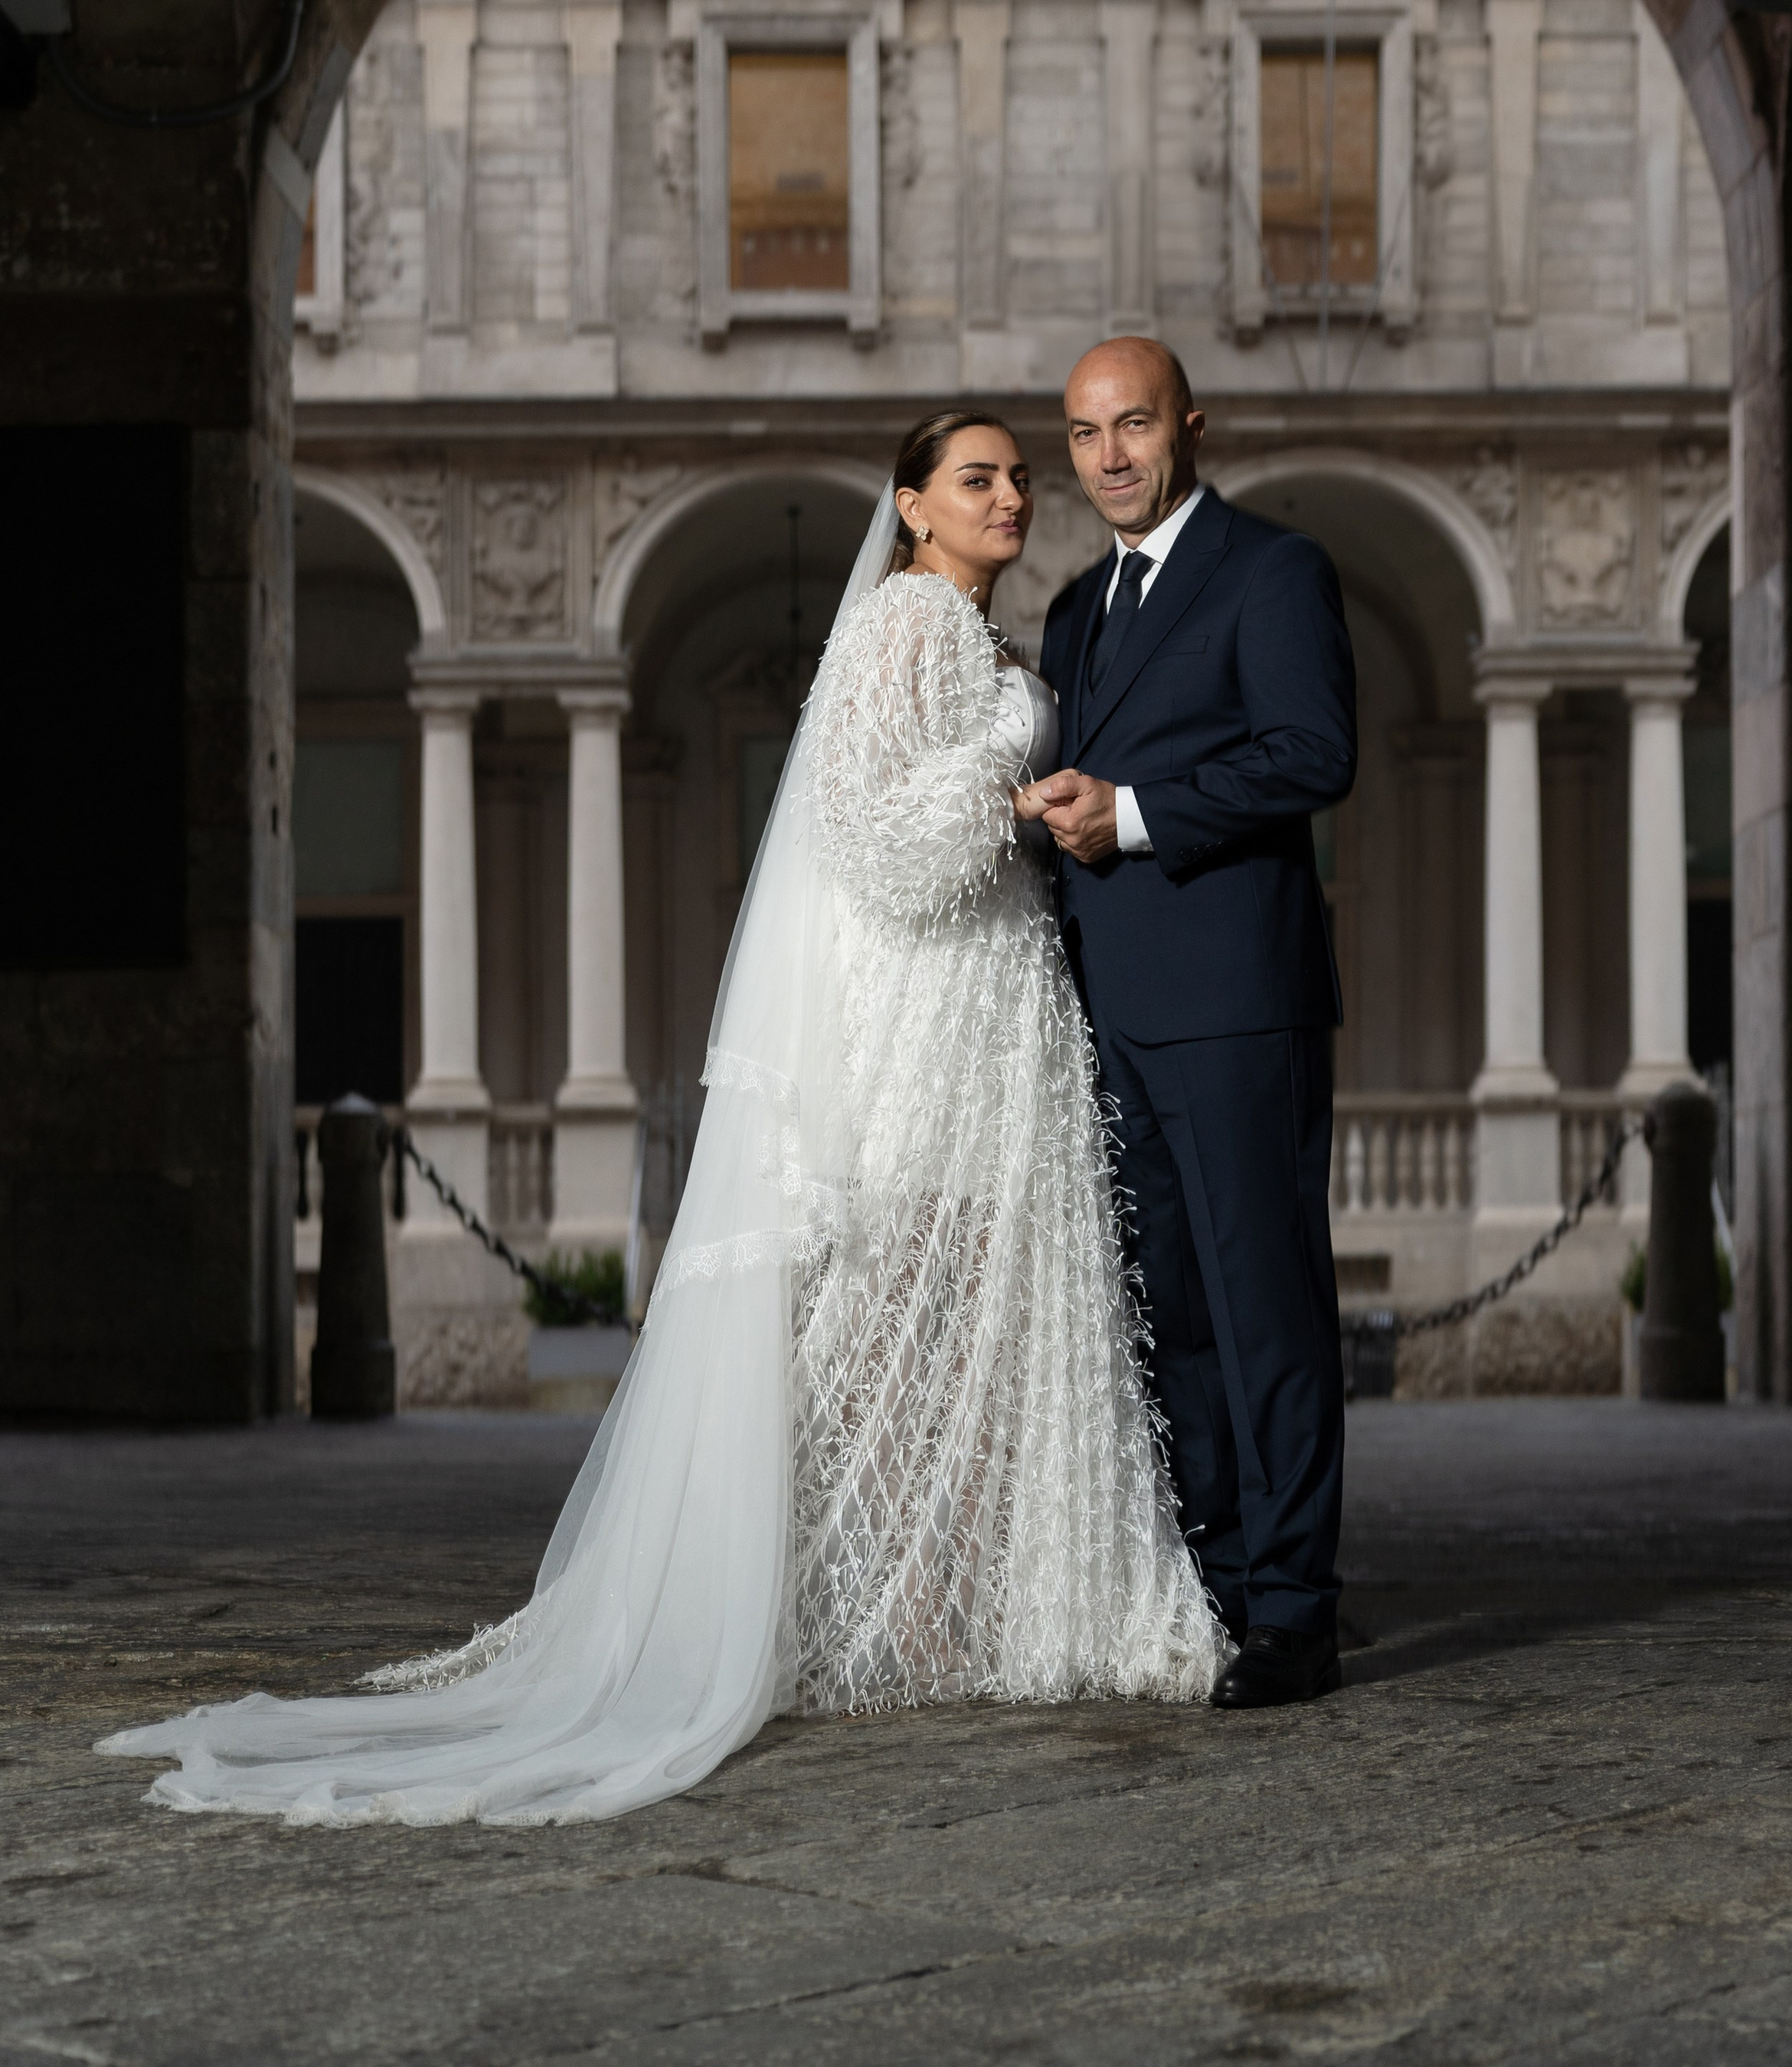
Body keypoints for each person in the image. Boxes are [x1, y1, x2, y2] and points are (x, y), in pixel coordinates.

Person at [100, 411, 1218, 1826]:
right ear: (913, 505)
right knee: (883, 1313)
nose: (1011, 497)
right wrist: (1012, 797)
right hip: (923, 1005)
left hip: (995, 1002)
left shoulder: (994, 644)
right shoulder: (908, 629)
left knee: (965, 1314)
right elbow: (873, 835)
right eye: (978, 479)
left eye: (1017, 478)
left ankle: (948, 1607)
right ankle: (871, 1609)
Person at [1019, 339, 1357, 1711]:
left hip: (1234, 1008)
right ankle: (1215, 1585)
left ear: (1188, 427)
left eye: (1135, 424)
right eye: (1088, 433)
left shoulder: (1272, 571)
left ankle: (1294, 1612)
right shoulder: (1071, 610)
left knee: (1263, 1305)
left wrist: (1137, 815)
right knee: (1171, 1314)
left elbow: (1312, 753)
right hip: (1112, 1011)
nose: (1110, 455)